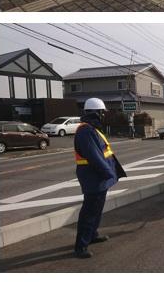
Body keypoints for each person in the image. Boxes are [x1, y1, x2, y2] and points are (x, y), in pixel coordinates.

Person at [73, 98, 126, 259]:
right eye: (102, 112)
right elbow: (95, 157)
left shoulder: (92, 129)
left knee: (96, 209)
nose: (104, 115)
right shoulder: (86, 131)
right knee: (89, 212)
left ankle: (92, 235)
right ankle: (80, 246)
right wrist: (108, 173)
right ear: (96, 113)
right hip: (93, 177)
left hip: (98, 177)